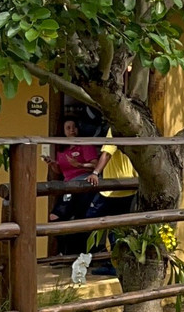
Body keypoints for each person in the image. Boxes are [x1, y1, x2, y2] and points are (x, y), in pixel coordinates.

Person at [43, 118, 99, 256]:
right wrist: (52, 164)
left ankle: (73, 253)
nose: (72, 130)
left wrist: (80, 165)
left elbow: (95, 165)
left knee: (67, 217)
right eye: (68, 128)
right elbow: (60, 171)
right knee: (57, 218)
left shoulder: (85, 145)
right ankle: (65, 252)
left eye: (74, 127)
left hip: (82, 185)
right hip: (68, 186)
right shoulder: (63, 150)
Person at [85, 133, 138, 276]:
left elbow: (107, 153)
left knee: (92, 220)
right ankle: (115, 262)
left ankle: (109, 261)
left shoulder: (114, 129)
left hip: (114, 188)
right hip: (129, 186)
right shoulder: (132, 129)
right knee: (118, 227)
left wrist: (96, 172)